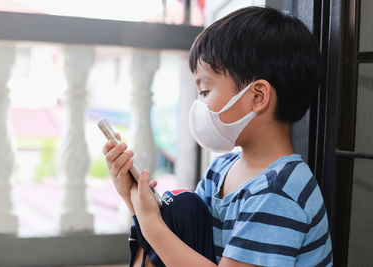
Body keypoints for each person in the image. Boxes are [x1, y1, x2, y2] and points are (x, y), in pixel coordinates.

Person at [103, 6, 333, 267]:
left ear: (257, 97)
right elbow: (181, 244)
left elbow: (162, 237)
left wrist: (152, 225)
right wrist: (134, 198)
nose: (198, 104)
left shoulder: (280, 191)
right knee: (181, 207)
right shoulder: (221, 169)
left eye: (204, 91)